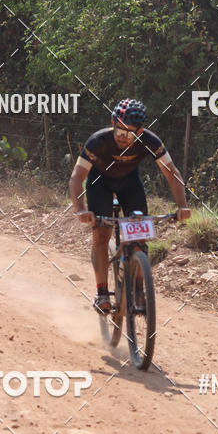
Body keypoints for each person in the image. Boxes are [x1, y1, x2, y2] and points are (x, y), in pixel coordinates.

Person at [69, 99, 191, 313]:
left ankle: (138, 291)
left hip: (129, 183)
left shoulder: (150, 141)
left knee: (139, 238)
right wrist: (80, 209)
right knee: (101, 234)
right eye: (119, 131)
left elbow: (172, 173)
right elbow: (77, 177)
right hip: (99, 183)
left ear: (140, 131)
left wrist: (182, 206)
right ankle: (102, 293)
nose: (123, 138)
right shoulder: (98, 141)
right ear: (112, 124)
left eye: (129, 134)